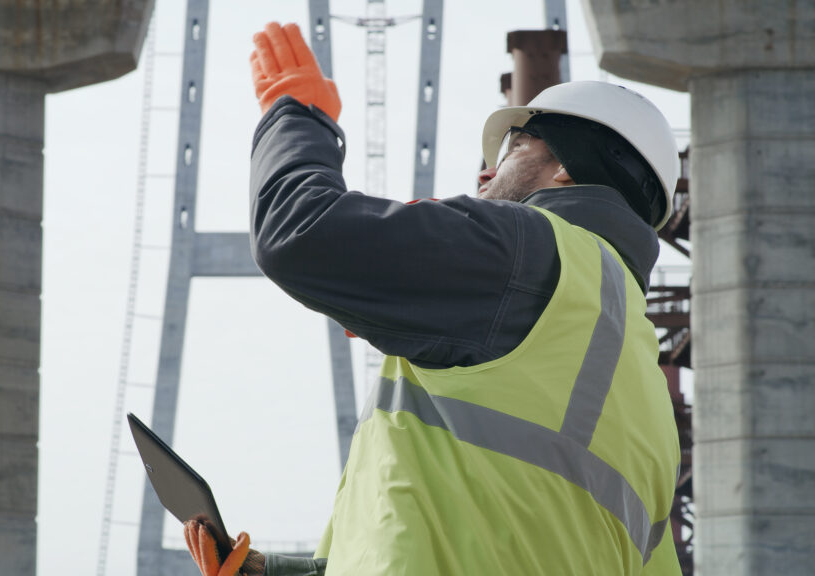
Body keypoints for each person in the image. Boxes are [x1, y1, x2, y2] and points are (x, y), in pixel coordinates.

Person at [183, 21, 684, 576]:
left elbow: (299, 233)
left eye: (515, 146)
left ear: (565, 168)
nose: (484, 171)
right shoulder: (649, 395)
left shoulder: (524, 252)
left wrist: (296, 113)